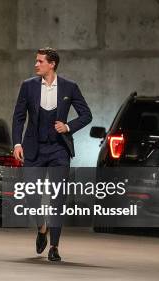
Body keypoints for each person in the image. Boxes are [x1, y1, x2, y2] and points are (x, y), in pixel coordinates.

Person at [11, 47, 92, 261]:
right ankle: (42, 227)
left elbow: (86, 115)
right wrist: (17, 143)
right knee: (31, 194)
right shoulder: (28, 86)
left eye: (40, 61)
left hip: (59, 150)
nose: (36, 64)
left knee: (58, 198)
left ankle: (54, 246)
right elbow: (19, 117)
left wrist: (68, 126)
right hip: (34, 149)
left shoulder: (69, 87)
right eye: (36, 61)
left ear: (52, 63)